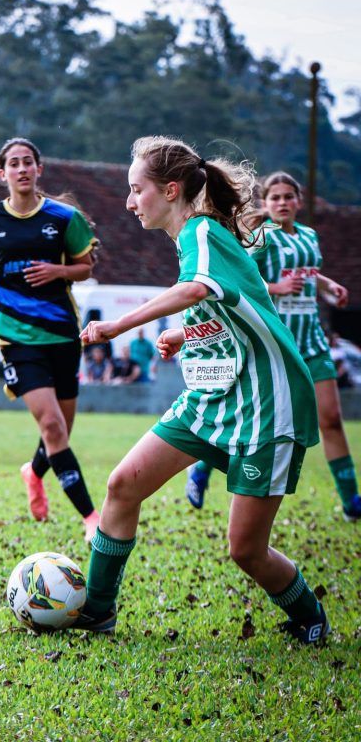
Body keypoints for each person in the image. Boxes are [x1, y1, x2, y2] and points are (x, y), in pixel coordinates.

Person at [74, 136, 329, 644]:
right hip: (212, 399)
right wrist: (184, 334)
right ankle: (97, 614)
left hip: (267, 403)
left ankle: (310, 617)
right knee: (123, 486)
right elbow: (234, 308)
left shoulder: (202, 230)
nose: (129, 202)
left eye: (136, 189)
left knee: (245, 550)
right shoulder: (192, 239)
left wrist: (118, 325)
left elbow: (196, 289)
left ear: (170, 190)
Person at [186, 172, 361, 521]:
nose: (282, 202)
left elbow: (307, 273)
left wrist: (328, 287)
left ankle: (351, 501)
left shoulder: (309, 235)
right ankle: (202, 468)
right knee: (250, 418)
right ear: (265, 203)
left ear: (299, 200)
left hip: (311, 340)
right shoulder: (261, 237)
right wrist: (276, 288)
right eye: (275, 197)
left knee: (330, 418)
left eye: (288, 196)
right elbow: (236, 278)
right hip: (274, 344)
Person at [0, 136, 100, 542]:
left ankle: (34, 471)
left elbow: (86, 267)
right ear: (2, 173)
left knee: (60, 431)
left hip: (62, 334)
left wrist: (58, 271)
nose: (21, 169)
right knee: (53, 427)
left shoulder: (64, 218)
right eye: (14, 163)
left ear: (39, 169)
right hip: (17, 338)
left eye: (28, 162)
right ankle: (91, 517)